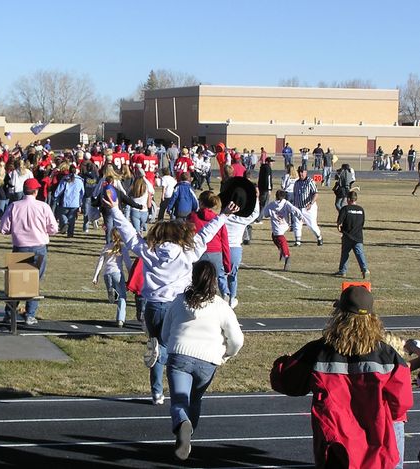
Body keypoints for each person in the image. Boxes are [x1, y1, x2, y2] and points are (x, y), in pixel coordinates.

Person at [104, 187, 243, 406]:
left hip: (153, 307)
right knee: (175, 349)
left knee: (157, 347)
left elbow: (129, 235)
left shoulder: (150, 251)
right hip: (179, 306)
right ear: (180, 235)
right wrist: (224, 214)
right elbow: (207, 232)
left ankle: (157, 393)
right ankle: (177, 385)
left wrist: (115, 210)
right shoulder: (188, 252)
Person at [270, 286, 412, 469]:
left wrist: (284, 361)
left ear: (339, 315)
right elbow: (400, 404)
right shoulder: (387, 356)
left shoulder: (318, 351)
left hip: (335, 446)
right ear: (372, 319)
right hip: (376, 446)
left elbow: (286, 382)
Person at [161, 260, 244, 461]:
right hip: (207, 361)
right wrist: (227, 353)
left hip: (179, 356)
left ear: (193, 278)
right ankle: (187, 434)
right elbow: (237, 339)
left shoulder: (179, 301)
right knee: (195, 399)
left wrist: (172, 343)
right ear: (214, 281)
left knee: (180, 400)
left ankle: (182, 425)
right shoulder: (221, 306)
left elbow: (165, 334)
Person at [0, 178, 59, 325]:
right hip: (39, 247)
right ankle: (30, 314)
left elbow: (4, 228)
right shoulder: (43, 206)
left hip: (20, 247)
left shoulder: (14, 206)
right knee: (34, 282)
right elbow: (53, 229)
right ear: (36, 191)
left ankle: (9, 314)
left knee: (16, 282)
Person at [189, 191, 231, 300]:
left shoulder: (192, 216)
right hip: (216, 253)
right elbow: (225, 243)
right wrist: (227, 264)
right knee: (212, 282)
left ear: (201, 202)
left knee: (196, 282)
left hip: (198, 252)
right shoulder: (218, 219)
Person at [92, 229, 132, 328]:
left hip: (106, 274)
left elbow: (100, 262)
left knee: (113, 295)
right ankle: (120, 319)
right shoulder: (123, 248)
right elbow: (128, 263)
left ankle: (111, 291)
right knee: (122, 296)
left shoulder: (106, 247)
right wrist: (131, 275)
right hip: (117, 273)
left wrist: (95, 276)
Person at [262, 190, 302, 271]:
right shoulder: (286, 203)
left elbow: (265, 214)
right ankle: (282, 251)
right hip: (285, 224)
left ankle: (286, 256)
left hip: (277, 227)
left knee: (280, 238)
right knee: (274, 236)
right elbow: (294, 209)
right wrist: (300, 217)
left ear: (276, 196)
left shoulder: (271, 205)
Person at [334, 190, 369, 279]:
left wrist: (340, 230)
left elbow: (339, 223)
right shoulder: (361, 210)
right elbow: (362, 223)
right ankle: (365, 270)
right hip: (358, 235)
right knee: (360, 253)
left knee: (345, 253)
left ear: (349, 199)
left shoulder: (345, 209)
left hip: (347, 235)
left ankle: (343, 271)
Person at [292, 167, 323, 247]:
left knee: (312, 225)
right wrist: (294, 206)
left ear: (306, 172)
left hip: (308, 208)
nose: (300, 174)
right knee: (297, 224)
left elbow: (316, 193)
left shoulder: (310, 181)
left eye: (302, 172)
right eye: (299, 172)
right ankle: (298, 241)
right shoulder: (296, 183)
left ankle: (319, 237)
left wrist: (311, 203)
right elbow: (295, 195)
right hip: (298, 207)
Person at [53, 165, 85, 237]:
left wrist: (55, 197)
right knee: (72, 218)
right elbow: (82, 192)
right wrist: (80, 201)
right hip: (75, 202)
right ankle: (70, 233)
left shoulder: (65, 179)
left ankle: (65, 223)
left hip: (66, 201)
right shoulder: (80, 180)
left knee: (62, 214)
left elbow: (59, 190)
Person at [255, 156, 274, 223]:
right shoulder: (268, 168)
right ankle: (258, 219)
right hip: (265, 189)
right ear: (267, 162)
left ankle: (257, 216)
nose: (272, 163)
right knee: (264, 204)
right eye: (271, 162)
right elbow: (268, 179)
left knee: (261, 203)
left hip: (261, 188)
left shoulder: (262, 168)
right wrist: (269, 189)